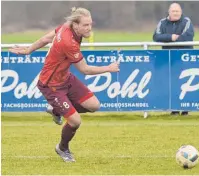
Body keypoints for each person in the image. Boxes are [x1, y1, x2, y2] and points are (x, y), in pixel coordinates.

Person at [9, 7, 120, 162]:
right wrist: (109, 68)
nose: (89, 28)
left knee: (94, 105)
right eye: (85, 25)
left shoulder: (66, 27)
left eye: (90, 24)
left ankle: (56, 110)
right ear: (75, 25)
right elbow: (85, 69)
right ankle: (62, 148)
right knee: (75, 121)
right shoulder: (69, 42)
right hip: (51, 84)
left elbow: (45, 39)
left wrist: (29, 50)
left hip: (65, 78)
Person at [153, 2, 194, 116]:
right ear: (169, 12)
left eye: (177, 11)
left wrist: (170, 39)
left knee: (186, 82)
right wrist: (171, 37)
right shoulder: (162, 22)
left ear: (181, 12)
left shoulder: (187, 21)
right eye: (173, 11)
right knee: (172, 83)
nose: (175, 13)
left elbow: (188, 36)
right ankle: (174, 109)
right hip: (168, 59)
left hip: (184, 58)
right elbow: (156, 37)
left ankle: (185, 109)